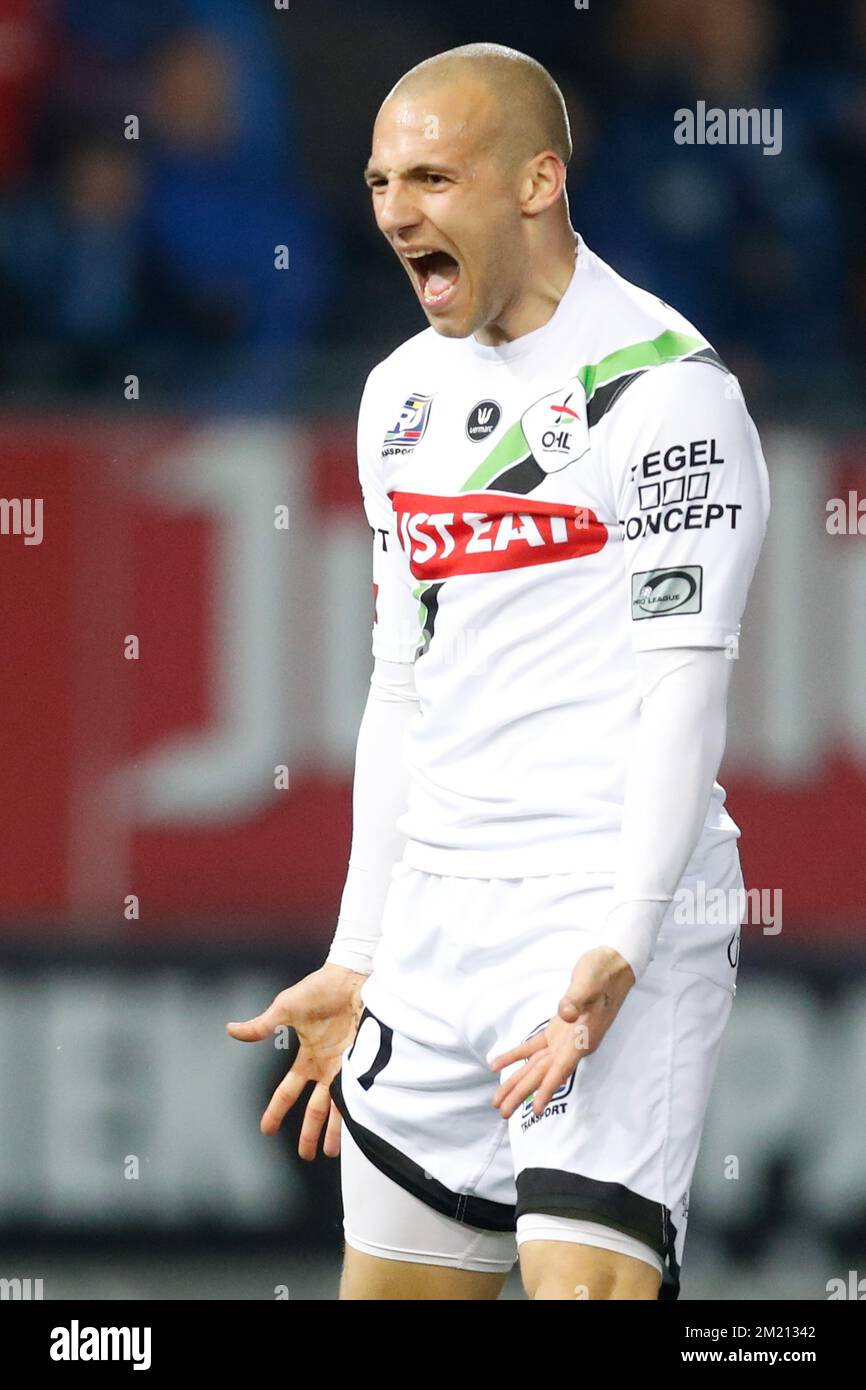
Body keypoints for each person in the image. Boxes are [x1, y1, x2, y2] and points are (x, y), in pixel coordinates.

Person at [227, 42, 770, 1302]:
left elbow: (683, 691)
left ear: (537, 180)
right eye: (376, 183)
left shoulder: (667, 398)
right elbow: (402, 685)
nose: (395, 214)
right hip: (434, 923)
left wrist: (625, 939)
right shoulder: (397, 399)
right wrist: (360, 948)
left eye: (429, 176)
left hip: (599, 903)